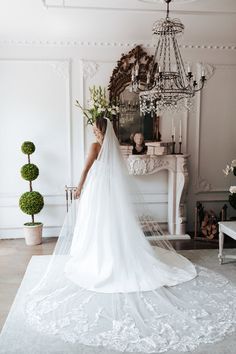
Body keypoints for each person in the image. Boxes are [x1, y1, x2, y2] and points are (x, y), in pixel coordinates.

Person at [1, 116, 236, 353]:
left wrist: (80, 187)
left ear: (101, 130)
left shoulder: (95, 147)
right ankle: (112, 253)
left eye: (94, 128)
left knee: (97, 225)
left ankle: (97, 256)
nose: (93, 132)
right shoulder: (113, 147)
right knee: (109, 225)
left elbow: (86, 169)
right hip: (110, 192)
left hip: (96, 190)